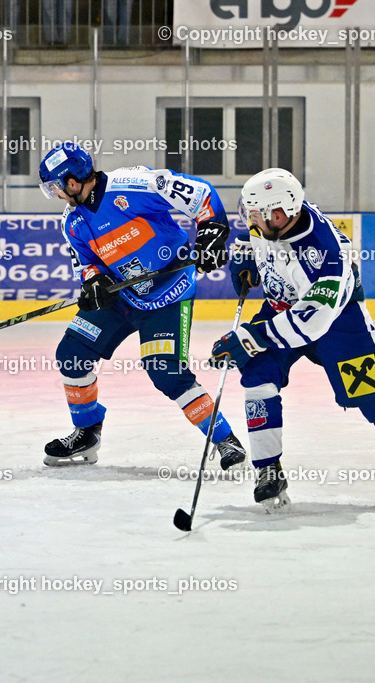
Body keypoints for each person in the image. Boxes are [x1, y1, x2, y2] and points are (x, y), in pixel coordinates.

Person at [211, 168, 375, 511]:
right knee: (257, 377)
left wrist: (251, 337)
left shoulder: (325, 254)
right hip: (279, 309)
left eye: (256, 215)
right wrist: (247, 258)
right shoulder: (276, 219)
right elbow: (257, 241)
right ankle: (268, 470)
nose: (250, 220)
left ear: (278, 214)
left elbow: (313, 321)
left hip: (337, 321)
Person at [37, 142, 245, 469]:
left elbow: (201, 193)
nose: (57, 195)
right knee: (72, 355)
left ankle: (224, 440)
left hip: (169, 295)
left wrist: (212, 232)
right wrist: (94, 282)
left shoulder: (132, 185)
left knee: (165, 372)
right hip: (122, 298)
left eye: (56, 188)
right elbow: (87, 263)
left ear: (72, 182)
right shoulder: (72, 221)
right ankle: (87, 432)